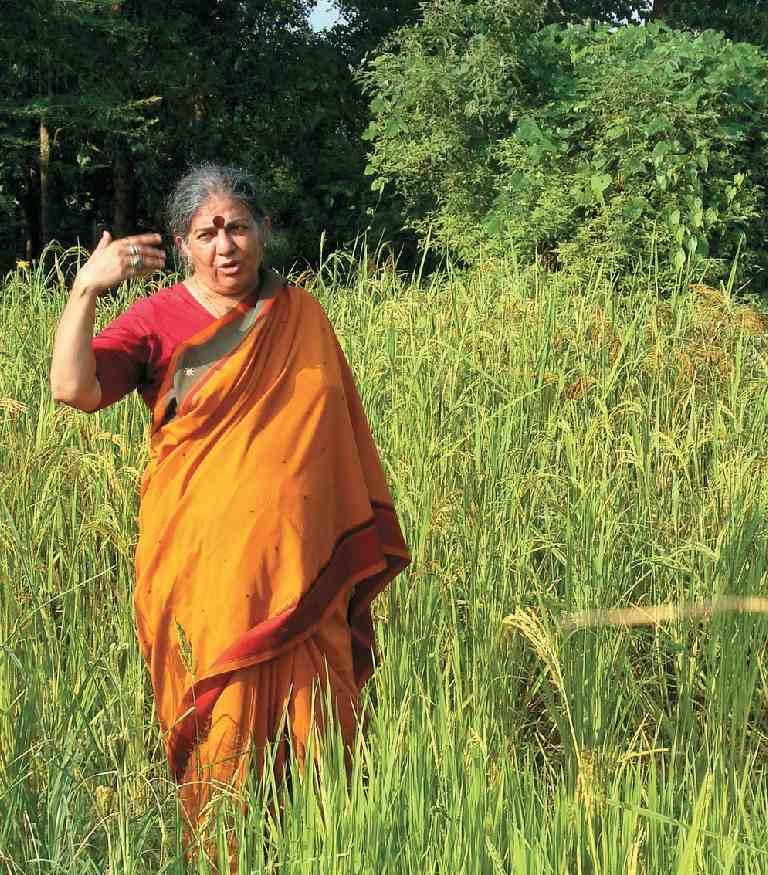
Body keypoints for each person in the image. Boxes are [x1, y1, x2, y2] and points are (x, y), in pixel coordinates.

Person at [50, 164, 410, 843]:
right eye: (207, 232)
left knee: (321, 746)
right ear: (185, 244)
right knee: (222, 734)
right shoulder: (158, 319)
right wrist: (83, 291)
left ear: (263, 231)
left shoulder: (300, 315)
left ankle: (321, 852)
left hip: (307, 572)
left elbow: (335, 438)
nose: (225, 245)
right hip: (201, 574)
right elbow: (73, 388)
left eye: (238, 227)